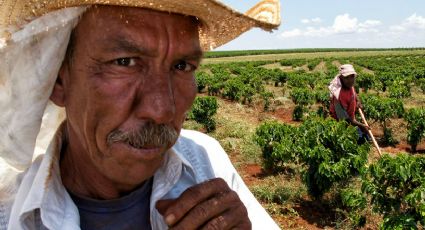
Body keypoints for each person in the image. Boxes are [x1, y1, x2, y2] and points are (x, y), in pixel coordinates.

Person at [0, 1, 281, 229]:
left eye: (182, 66)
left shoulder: (209, 163)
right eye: (124, 62)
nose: (162, 111)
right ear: (58, 80)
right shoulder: (10, 216)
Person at [329, 64, 370, 143]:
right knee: (360, 141)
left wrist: (357, 101)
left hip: (351, 120)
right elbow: (344, 119)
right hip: (341, 124)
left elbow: (354, 93)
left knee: (366, 138)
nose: (350, 80)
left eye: (352, 76)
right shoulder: (338, 97)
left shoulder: (349, 85)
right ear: (341, 78)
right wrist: (361, 126)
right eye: (346, 77)